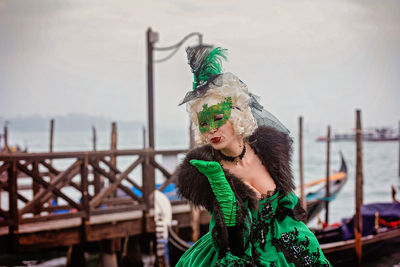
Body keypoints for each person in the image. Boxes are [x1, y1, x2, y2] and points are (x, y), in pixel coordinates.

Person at [175, 46, 331, 266]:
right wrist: (218, 180)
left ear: (236, 115)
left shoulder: (268, 152)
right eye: (203, 123)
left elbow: (287, 207)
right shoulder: (204, 169)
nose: (211, 129)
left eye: (217, 118)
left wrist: (301, 238)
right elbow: (230, 235)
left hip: (282, 245)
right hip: (237, 254)